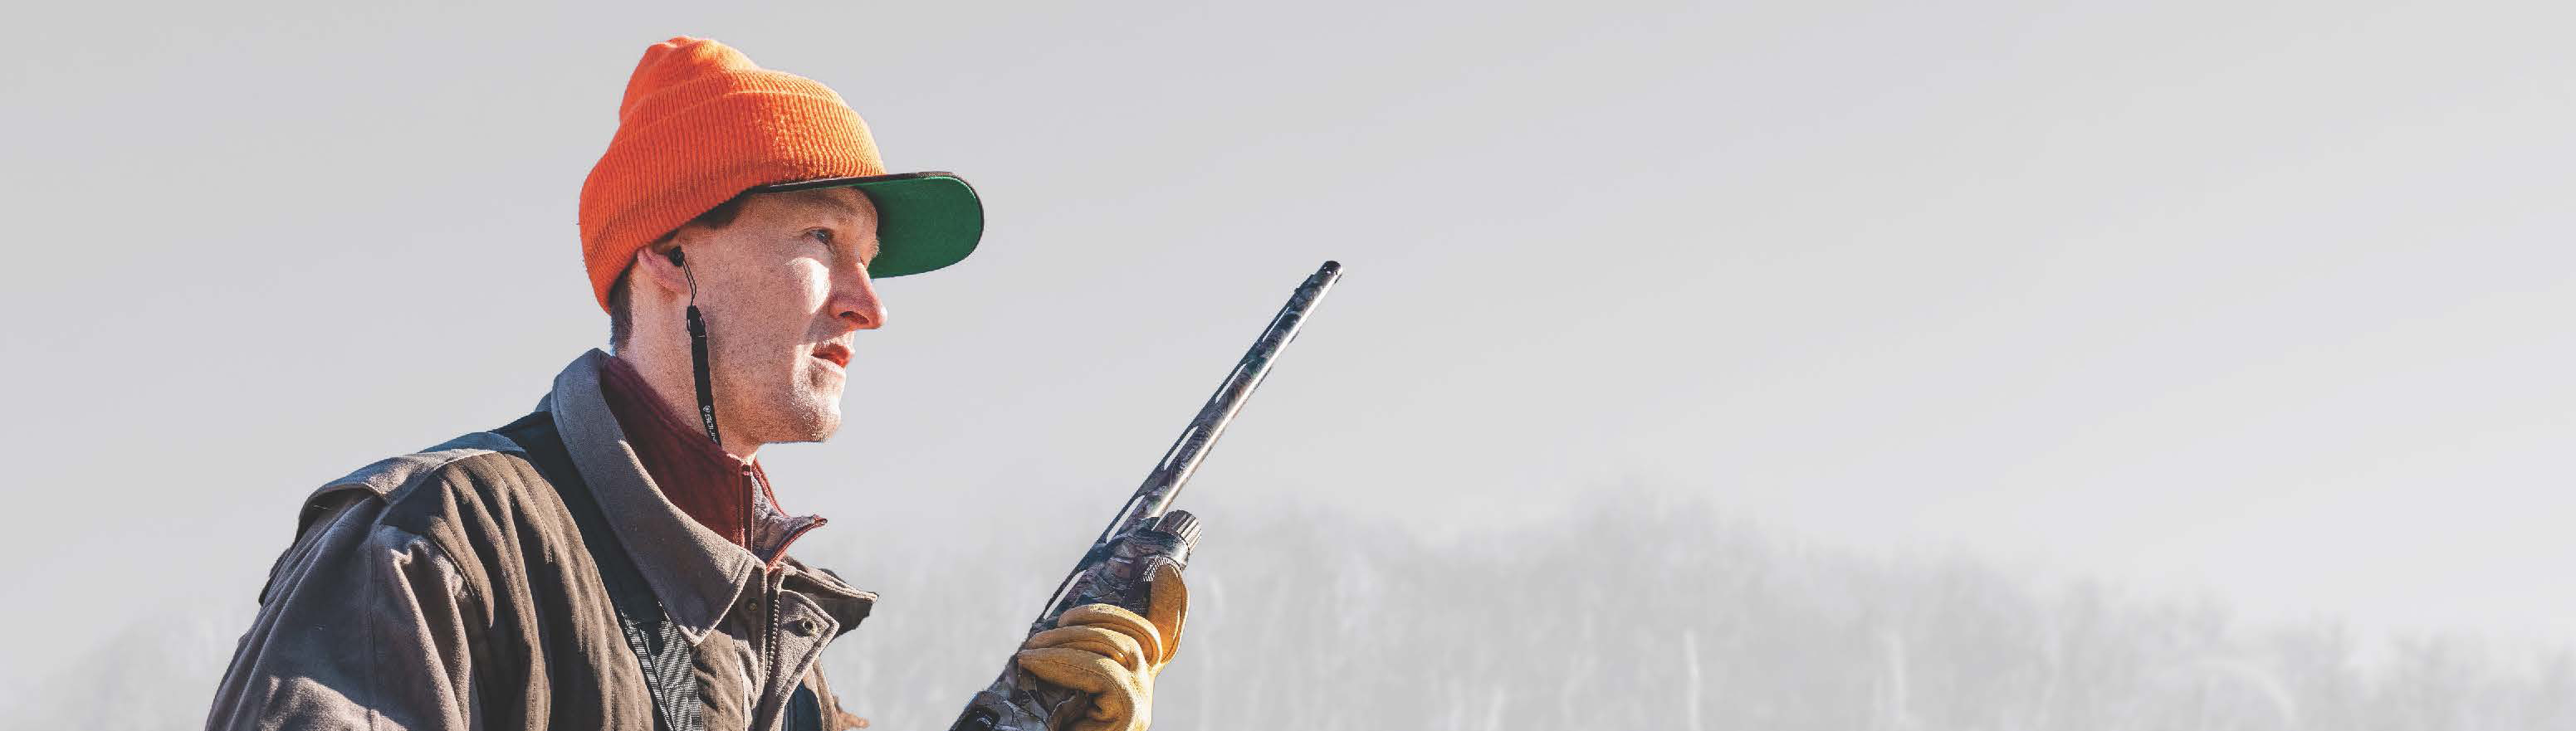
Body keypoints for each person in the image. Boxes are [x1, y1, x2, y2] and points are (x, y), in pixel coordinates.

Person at [205, 37, 1186, 731]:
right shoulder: (444, 537)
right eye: (823, 237)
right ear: (670, 253)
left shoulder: (791, 679)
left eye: (870, 259)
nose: (866, 304)